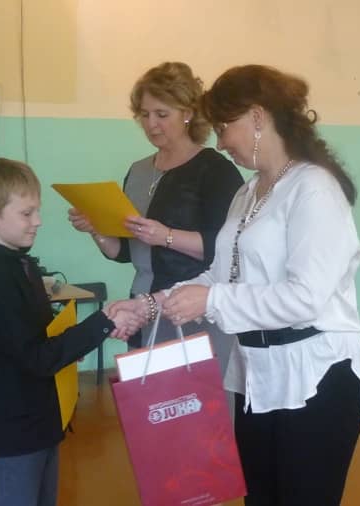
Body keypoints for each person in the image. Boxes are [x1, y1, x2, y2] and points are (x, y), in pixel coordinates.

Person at [159, 65, 360, 505]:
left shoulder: (314, 188)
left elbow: (304, 298)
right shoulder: (248, 193)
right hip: (257, 375)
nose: (220, 142)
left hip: (315, 377)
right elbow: (221, 275)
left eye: (224, 127)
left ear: (258, 117)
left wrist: (213, 299)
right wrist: (153, 303)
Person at [0, 158, 142, 506]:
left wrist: (97, 328)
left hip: (40, 421)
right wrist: (103, 322)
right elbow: (37, 357)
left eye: (37, 211)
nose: (38, 221)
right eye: (26, 213)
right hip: (13, 431)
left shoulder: (21, 266)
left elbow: (42, 340)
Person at [68, 62, 243, 366]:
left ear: (188, 113)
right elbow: (124, 252)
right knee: (146, 393)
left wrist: (166, 237)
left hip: (190, 308)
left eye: (162, 114)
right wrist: (96, 228)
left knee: (191, 394)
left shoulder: (216, 171)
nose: (151, 124)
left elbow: (229, 249)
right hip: (140, 305)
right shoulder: (138, 171)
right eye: (144, 114)